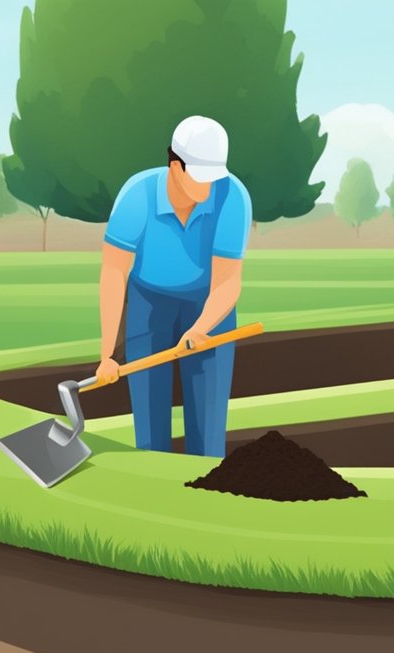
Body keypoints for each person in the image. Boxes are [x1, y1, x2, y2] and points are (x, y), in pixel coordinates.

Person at [93, 115, 252, 458]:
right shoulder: (137, 196)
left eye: (214, 177)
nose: (208, 187)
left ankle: (206, 494)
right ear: (175, 165)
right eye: (200, 176)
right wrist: (107, 355)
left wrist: (200, 328)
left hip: (210, 305)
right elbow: (113, 273)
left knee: (209, 428)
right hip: (148, 305)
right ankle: (153, 490)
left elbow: (228, 279)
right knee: (150, 426)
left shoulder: (233, 196)